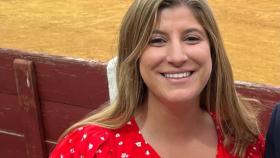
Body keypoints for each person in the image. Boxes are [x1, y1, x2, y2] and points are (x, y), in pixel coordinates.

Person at [49, 0, 265, 157]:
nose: (177, 57)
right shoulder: (88, 149)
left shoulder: (244, 143)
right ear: (134, 55)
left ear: (213, 51)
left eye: (191, 38)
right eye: (157, 40)